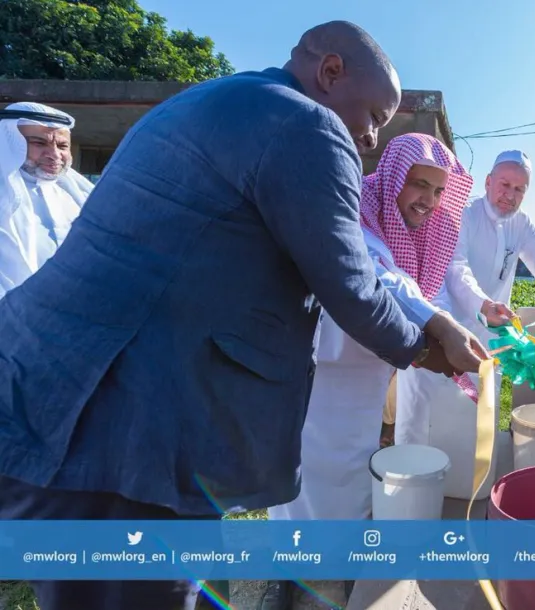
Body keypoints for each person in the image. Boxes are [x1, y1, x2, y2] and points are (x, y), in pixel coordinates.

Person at [0, 21, 486, 610]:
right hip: (111, 427)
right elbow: (353, 283)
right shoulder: (305, 124)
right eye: (376, 117)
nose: (370, 139)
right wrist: (430, 348)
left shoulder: (209, 103)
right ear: (331, 73)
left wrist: (430, 324)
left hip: (84, 401)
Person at [262, 132, 476, 609]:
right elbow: (380, 277)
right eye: (420, 185)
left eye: (441, 192)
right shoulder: (354, 212)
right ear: (394, 177)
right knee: (305, 483)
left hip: (364, 376)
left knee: (352, 476)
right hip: (319, 373)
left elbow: (420, 289)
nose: (430, 201)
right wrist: (441, 328)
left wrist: (451, 330)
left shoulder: (414, 233)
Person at [393, 150, 535, 445]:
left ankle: (468, 490)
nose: (509, 195)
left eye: (519, 189)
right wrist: (483, 305)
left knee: (472, 434)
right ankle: (415, 488)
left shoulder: (521, 224)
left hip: (489, 344)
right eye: (504, 185)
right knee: (423, 430)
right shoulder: (462, 213)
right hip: (440, 334)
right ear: (488, 182)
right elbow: (455, 269)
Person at [0, 102, 93, 299]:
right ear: (9, 142)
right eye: (39, 143)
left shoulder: (81, 195)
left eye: (62, 145)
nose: (54, 155)